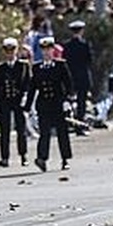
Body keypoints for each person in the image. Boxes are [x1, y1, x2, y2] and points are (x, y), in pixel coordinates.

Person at [24, 36, 74, 171]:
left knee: (62, 132)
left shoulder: (60, 65)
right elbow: (32, 88)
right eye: (44, 50)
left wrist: (68, 101)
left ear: (53, 50)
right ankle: (42, 158)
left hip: (58, 103)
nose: (47, 52)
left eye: (49, 49)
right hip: (44, 105)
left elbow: (68, 84)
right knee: (44, 133)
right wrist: (27, 107)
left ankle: (65, 159)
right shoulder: (37, 67)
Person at [0, 37, 30, 167]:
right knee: (4, 130)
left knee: (21, 129)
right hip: (5, 101)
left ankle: (23, 155)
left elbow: (27, 83)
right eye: (7, 51)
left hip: (18, 100)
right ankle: (5, 157)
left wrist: (26, 98)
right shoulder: (1, 67)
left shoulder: (23, 65)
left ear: (16, 50)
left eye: (12, 50)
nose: (10, 53)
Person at [63, 19, 94, 131]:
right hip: (82, 75)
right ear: (81, 31)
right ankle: (80, 123)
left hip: (71, 75)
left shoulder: (67, 45)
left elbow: (65, 60)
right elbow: (89, 60)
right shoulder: (84, 44)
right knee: (81, 101)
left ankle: (70, 121)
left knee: (70, 99)